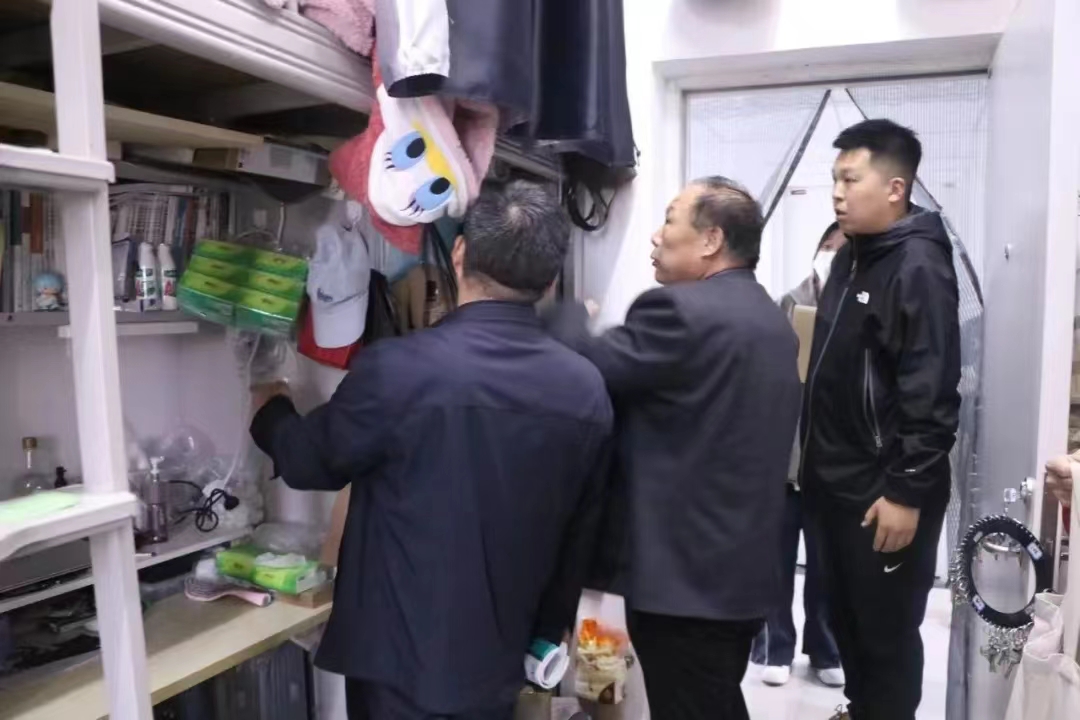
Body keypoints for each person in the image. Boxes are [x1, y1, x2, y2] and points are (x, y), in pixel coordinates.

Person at [250, 180, 613, 720]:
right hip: (498, 661)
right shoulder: (585, 390)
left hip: (396, 665)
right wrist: (544, 633)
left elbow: (308, 462)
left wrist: (270, 408)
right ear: (550, 279)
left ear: (459, 254)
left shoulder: (398, 369)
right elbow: (579, 537)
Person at [546, 176, 802, 720]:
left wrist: (570, 312)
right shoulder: (770, 321)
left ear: (711, 240)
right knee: (712, 700)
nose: (656, 236)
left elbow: (585, 364)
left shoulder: (679, 312)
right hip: (738, 577)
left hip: (684, 586)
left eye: (669, 220)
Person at [799, 119, 961, 720]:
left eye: (850, 180)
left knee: (885, 634)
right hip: (835, 485)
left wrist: (907, 490)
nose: (837, 194)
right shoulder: (852, 258)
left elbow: (932, 388)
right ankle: (860, 707)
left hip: (883, 491)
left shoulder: (917, 265)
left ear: (895, 188)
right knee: (847, 621)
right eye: (834, 180)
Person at [751, 222, 847, 689]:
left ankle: (825, 648)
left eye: (846, 251)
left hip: (833, 465)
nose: (835, 256)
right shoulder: (790, 303)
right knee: (776, 562)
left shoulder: (863, 307)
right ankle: (776, 648)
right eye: (830, 247)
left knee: (827, 566)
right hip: (786, 459)